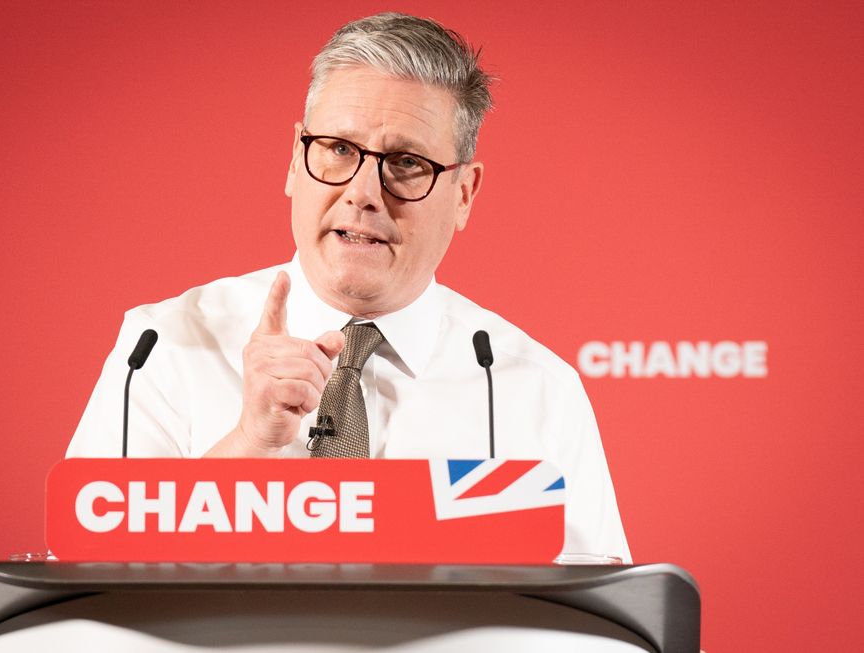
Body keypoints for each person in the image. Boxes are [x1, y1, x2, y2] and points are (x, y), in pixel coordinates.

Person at [68, 12, 630, 562]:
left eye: (406, 162)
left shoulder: (533, 389)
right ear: (295, 159)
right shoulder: (162, 348)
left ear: (464, 193)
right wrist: (250, 444)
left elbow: (603, 625)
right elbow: (90, 591)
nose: (363, 192)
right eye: (338, 149)